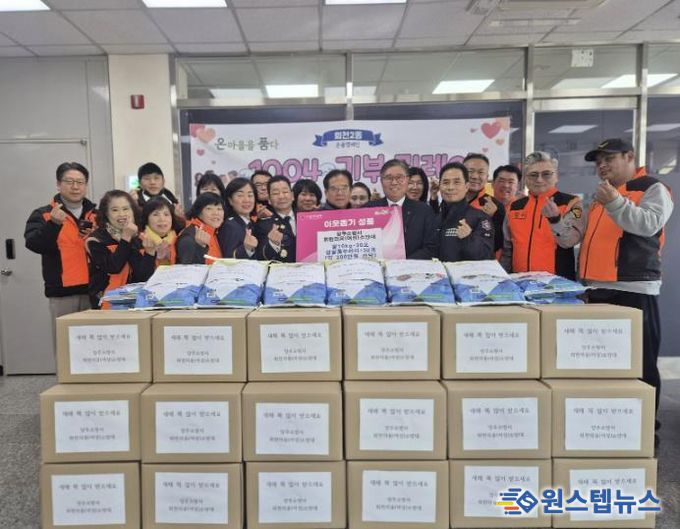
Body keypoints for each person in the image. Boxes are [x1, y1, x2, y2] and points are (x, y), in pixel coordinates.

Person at [580, 138, 674, 438]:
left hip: (633, 289)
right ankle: (607, 426)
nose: (602, 166)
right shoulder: (602, 195)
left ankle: (644, 429)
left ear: (630, 156)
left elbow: (649, 224)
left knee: (640, 364)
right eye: (599, 162)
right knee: (601, 364)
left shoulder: (652, 188)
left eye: (609, 159)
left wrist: (615, 202)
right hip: (596, 288)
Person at [25, 162, 97, 336]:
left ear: (86, 186)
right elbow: (34, 244)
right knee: (65, 344)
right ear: (58, 184)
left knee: (96, 344)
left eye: (80, 182)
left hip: (95, 290)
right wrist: (54, 224)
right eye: (69, 181)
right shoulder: (44, 214)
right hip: (62, 294)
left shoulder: (97, 214)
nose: (75, 187)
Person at [501, 152, 584, 279]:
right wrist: (503, 277)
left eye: (546, 174)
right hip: (520, 282)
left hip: (557, 284)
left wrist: (555, 220)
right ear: (525, 179)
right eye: (533, 175)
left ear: (556, 176)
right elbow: (507, 249)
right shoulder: (515, 206)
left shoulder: (571, 203)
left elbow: (570, 241)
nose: (539, 179)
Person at [86, 190, 152, 309]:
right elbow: (113, 267)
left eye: (126, 209)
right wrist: (125, 238)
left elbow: (143, 277)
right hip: (107, 303)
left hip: (135, 302)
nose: (122, 214)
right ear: (106, 213)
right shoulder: (95, 239)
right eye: (115, 210)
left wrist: (150, 253)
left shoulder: (137, 238)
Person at [367, 159, 438, 259]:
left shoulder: (424, 211)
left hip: (411, 267)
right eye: (389, 178)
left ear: (407, 180)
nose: (394, 182)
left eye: (399, 177)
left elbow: (430, 247)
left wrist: (403, 264)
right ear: (381, 181)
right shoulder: (368, 209)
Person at [435, 162, 494, 262]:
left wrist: (468, 238)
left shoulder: (480, 218)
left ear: (466, 186)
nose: (450, 187)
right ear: (440, 186)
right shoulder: (435, 218)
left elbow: (486, 256)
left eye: (456, 182)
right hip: (437, 272)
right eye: (445, 182)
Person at [464, 153, 505, 254]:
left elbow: (498, 244)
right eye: (470, 171)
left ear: (487, 177)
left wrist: (490, 219)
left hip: (481, 261)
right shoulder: (451, 200)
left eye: (481, 172)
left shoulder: (495, 206)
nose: (475, 176)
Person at [256, 176, 297, 262]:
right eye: (275, 193)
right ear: (269, 199)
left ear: (292, 196)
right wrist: (273, 244)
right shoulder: (263, 224)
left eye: (285, 192)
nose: (281, 196)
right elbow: (260, 257)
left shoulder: (308, 218)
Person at [176, 192, 224, 264]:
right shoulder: (189, 236)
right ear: (199, 213)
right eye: (209, 209)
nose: (216, 213)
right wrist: (200, 247)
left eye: (219, 209)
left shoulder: (214, 232)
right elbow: (187, 268)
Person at [220, 178, 259, 259]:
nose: (246, 200)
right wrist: (246, 249)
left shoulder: (252, 223)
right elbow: (228, 259)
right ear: (230, 200)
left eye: (250, 195)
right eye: (240, 195)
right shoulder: (230, 226)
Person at [139, 198, 180, 268]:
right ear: (146, 218)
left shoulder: (180, 239)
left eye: (166, 214)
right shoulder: (138, 242)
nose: (162, 219)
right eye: (155, 214)